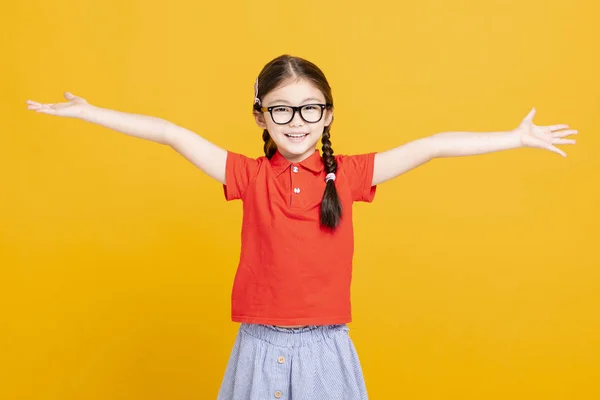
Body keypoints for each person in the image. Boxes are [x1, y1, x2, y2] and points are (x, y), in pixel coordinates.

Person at [26, 54, 577, 400]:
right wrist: (91, 112)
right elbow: (170, 132)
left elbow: (432, 147)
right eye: (282, 110)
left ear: (328, 114)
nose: (297, 122)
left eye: (310, 109)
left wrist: (515, 138)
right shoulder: (246, 175)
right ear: (261, 116)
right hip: (258, 345)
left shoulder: (352, 174)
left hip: (325, 348)